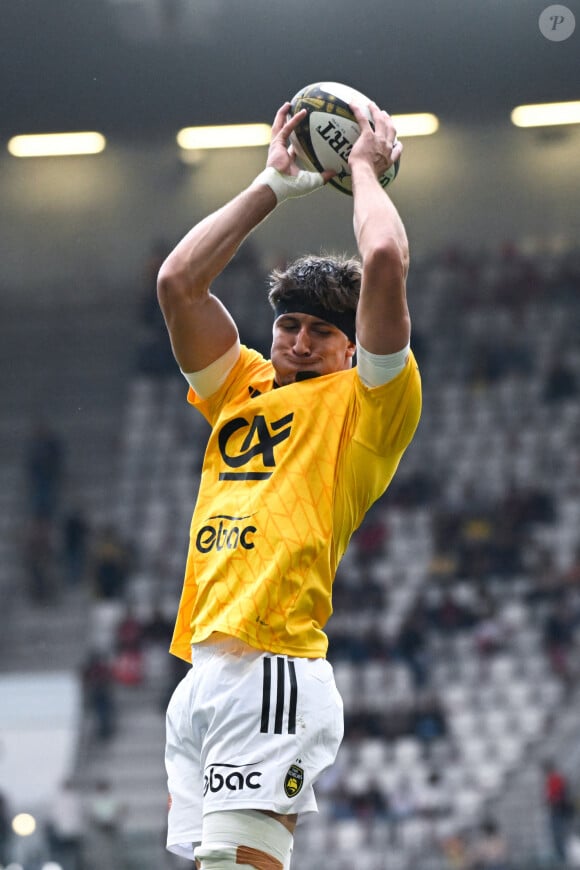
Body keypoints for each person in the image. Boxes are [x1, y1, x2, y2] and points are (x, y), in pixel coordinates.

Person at [157, 97, 422, 868]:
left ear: (350, 348)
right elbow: (179, 282)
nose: (299, 342)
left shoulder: (370, 403)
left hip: (274, 666)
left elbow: (383, 263)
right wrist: (272, 183)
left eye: (322, 332)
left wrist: (365, 172)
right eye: (289, 326)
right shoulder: (244, 382)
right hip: (202, 673)